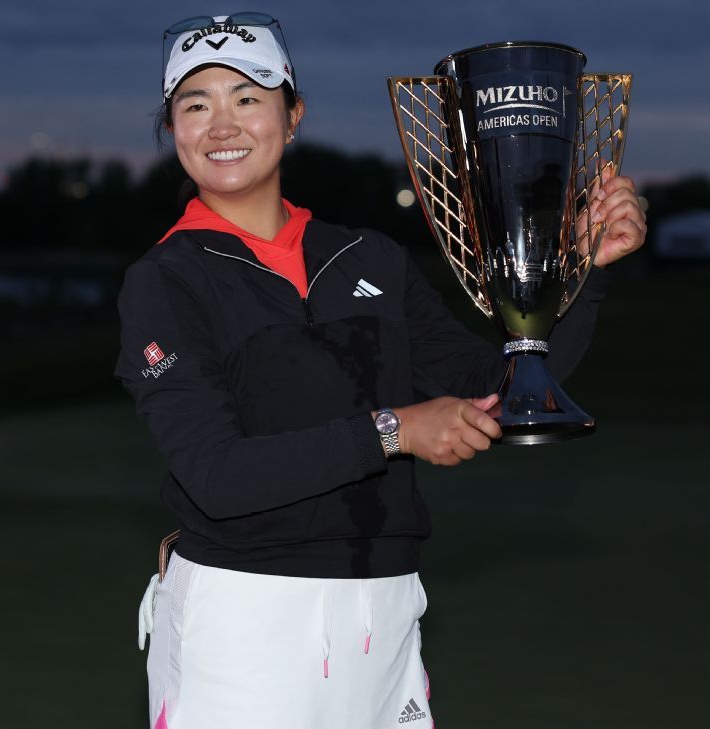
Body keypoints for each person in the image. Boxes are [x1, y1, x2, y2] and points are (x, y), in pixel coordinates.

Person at [116, 13, 647, 729]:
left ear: (292, 114)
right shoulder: (165, 281)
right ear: (171, 127)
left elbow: (497, 386)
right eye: (195, 103)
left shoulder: (368, 258)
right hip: (243, 620)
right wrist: (395, 431)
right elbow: (216, 473)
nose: (222, 124)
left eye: (247, 97)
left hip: (388, 611)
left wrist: (582, 271)